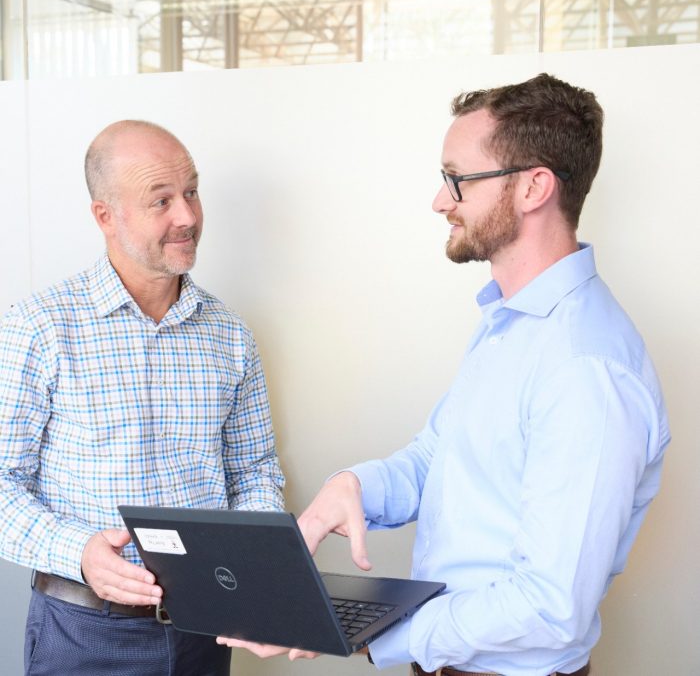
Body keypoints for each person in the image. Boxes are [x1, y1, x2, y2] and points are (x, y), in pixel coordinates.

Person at [220, 73, 670, 674]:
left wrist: (372, 634)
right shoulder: (509, 322)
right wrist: (354, 486)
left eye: (457, 179)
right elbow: (442, 458)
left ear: (535, 186)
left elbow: (549, 605)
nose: (440, 201)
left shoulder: (586, 368)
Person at [0, 120, 285, 676]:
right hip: (82, 636)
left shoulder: (231, 335)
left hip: (206, 632)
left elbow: (255, 470)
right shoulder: (39, 328)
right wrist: (77, 552)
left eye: (192, 192)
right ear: (105, 216)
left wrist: (249, 575)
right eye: (161, 200)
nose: (188, 217)